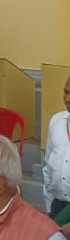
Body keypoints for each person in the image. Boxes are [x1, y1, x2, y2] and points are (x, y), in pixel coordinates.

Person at [43, 76, 70, 218]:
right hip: (57, 205)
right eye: (66, 92)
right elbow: (48, 164)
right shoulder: (56, 121)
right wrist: (49, 204)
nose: (67, 99)